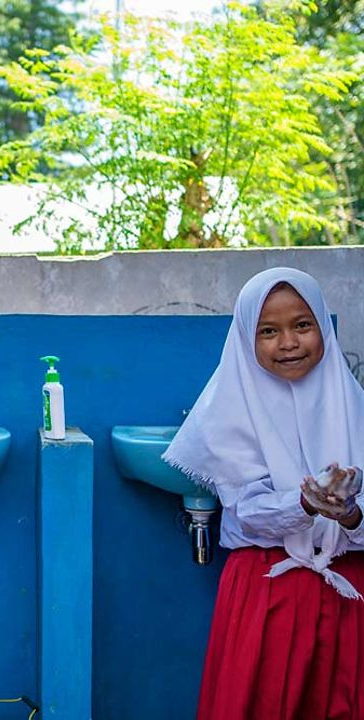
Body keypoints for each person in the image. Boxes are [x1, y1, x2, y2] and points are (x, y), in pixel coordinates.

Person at [163, 267, 364, 720]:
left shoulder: (356, 408)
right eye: (268, 331)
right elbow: (248, 513)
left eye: (303, 325)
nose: (288, 342)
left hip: (349, 592)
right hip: (268, 590)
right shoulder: (228, 416)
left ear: (323, 329)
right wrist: (306, 503)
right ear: (244, 340)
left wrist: (350, 515)